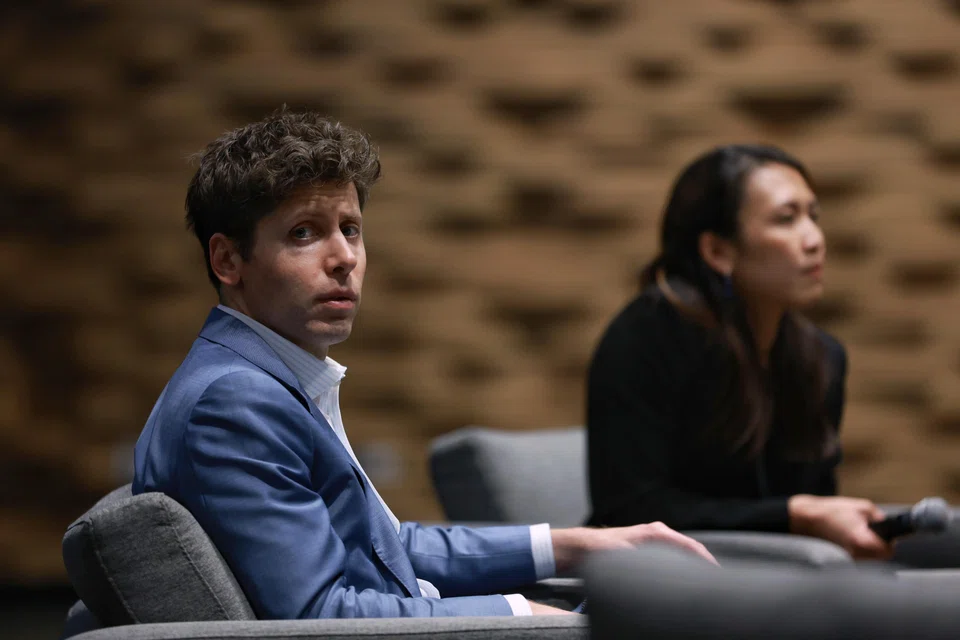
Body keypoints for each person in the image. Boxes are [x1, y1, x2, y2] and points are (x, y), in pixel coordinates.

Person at [132, 109, 716, 620]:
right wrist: (524, 615)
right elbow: (318, 617)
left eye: (351, 229)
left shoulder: (260, 378)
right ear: (228, 260)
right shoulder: (234, 404)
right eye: (304, 233)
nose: (343, 259)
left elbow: (381, 546)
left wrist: (574, 545)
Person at [585, 144, 893, 561]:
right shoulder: (646, 338)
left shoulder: (822, 357)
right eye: (787, 219)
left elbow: (817, 507)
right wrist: (792, 514)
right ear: (717, 251)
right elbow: (629, 509)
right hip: (654, 582)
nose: (815, 240)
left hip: (782, 581)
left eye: (813, 216)